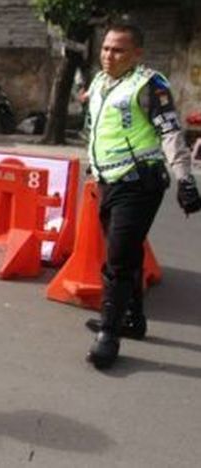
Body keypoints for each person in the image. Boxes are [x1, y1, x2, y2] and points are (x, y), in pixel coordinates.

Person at [84, 23, 201, 369]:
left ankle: (109, 334)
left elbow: (170, 132)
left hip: (139, 183)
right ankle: (132, 318)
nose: (109, 55)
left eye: (118, 50)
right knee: (126, 253)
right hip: (108, 181)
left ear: (137, 54)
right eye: (106, 48)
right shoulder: (100, 81)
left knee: (118, 259)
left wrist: (185, 179)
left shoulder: (150, 84)